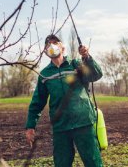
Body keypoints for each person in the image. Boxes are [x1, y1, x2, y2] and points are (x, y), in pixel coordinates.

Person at [25, 34, 103, 167]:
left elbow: (96, 74)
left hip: (83, 122)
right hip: (60, 126)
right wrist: (30, 125)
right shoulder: (44, 74)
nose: (52, 46)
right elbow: (38, 101)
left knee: (93, 162)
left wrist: (86, 57)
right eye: (48, 44)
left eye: (55, 42)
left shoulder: (76, 64)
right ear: (45, 51)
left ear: (62, 47)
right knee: (61, 163)